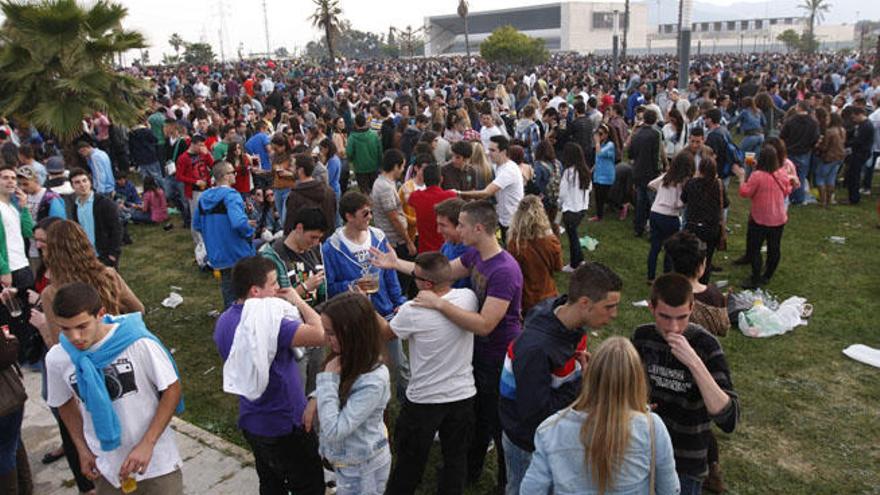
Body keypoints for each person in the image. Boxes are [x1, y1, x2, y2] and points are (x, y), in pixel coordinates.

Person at [372, 200, 523, 491]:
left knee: (495, 422)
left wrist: (439, 304)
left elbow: (485, 324)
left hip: (495, 357)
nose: (458, 228)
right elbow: (439, 275)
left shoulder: (504, 270)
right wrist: (395, 264)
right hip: (474, 355)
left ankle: (506, 483)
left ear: (478, 228)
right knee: (474, 422)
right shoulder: (476, 255)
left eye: (462, 224)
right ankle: (468, 471)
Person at [46, 282, 184, 494]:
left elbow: (172, 390)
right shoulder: (58, 358)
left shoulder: (138, 343)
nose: (74, 337)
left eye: (82, 326)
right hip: (106, 466)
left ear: (100, 314)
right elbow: (63, 403)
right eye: (65, 329)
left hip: (156, 463)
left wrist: (148, 443)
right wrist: (82, 449)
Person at [501, 262, 623, 494]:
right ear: (584, 303)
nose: (614, 314)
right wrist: (582, 383)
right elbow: (535, 413)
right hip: (528, 442)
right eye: (609, 307)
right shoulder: (538, 348)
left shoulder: (560, 312)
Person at [213, 256, 326, 495]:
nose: (278, 289)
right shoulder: (269, 322)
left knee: (271, 483)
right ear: (255, 290)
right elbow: (319, 333)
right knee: (309, 484)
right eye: (273, 284)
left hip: (253, 419)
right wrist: (298, 301)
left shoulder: (225, 320)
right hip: (284, 422)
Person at [520, 337, 679, 495]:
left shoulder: (550, 429)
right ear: (637, 380)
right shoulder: (652, 428)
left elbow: (531, 490)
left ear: (589, 376)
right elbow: (670, 490)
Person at [632, 274, 739, 494]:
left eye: (682, 317)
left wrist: (694, 362)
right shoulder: (642, 338)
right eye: (665, 317)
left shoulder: (706, 346)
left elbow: (729, 419)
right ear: (651, 307)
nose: (674, 327)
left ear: (691, 308)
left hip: (685, 463)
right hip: (642, 454)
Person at [382, 253, 477, 495]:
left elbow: (386, 333)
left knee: (409, 463)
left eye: (415, 276)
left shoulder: (412, 311)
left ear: (426, 284)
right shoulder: (469, 298)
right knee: (455, 459)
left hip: (425, 400)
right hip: (463, 395)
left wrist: (365, 304)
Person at [322, 191, 408, 399]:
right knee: (358, 368)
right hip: (354, 318)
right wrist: (351, 286)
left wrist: (398, 301)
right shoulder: (332, 247)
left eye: (370, 212)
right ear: (349, 217)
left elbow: (390, 273)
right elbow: (329, 286)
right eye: (365, 213)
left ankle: (408, 403)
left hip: (384, 311)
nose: (370, 217)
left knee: (398, 365)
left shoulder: (378, 237)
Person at [317, 292, 392, 495]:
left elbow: (334, 431)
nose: (325, 338)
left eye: (331, 332)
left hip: (362, 469)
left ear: (352, 333)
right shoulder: (346, 356)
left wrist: (326, 380)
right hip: (345, 462)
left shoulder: (373, 380)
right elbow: (340, 390)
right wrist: (315, 397)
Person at [259, 207, 327, 392]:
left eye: (319, 238)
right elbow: (270, 303)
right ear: (298, 228)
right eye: (312, 237)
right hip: (293, 334)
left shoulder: (315, 251)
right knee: (296, 389)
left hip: (318, 326)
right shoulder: (272, 257)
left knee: (316, 386)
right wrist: (305, 287)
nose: (315, 243)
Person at [193, 162, 255, 307]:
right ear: (225, 176)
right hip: (237, 251)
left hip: (217, 252)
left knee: (228, 288)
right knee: (245, 290)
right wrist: (248, 230)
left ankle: (229, 320)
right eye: (233, 172)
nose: (235, 174)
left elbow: (196, 224)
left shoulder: (203, 197)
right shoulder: (231, 196)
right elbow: (238, 223)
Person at [732, 145, 792, 289]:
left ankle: (756, 277)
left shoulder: (757, 176)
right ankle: (767, 275)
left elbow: (745, 192)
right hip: (778, 218)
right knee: (774, 248)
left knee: (754, 248)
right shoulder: (782, 173)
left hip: (760, 218)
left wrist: (741, 177)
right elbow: (787, 190)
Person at [458, 136, 524, 245]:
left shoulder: (508, 170)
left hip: (512, 221)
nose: (489, 153)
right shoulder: (499, 166)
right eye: (488, 149)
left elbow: (487, 192)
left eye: (493, 150)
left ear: (504, 152)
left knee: (513, 254)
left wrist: (458, 193)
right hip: (505, 218)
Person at [506, 195, 562, 313]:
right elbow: (558, 267)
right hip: (548, 294)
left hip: (525, 298)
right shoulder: (551, 241)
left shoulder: (514, 244)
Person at [646, 151, 694, 284]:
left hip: (655, 212)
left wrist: (659, 196)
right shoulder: (681, 183)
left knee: (654, 247)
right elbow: (678, 203)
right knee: (669, 248)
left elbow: (650, 184)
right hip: (670, 216)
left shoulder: (666, 177)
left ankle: (650, 277)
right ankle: (667, 275)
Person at [681, 158, 727, 284]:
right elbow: (726, 203)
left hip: (693, 226)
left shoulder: (691, 183)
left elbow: (683, 199)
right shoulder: (719, 185)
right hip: (711, 228)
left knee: (690, 256)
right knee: (707, 258)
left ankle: (689, 281)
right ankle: (703, 283)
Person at [65, 169, 122, 268]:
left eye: (84, 180)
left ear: (90, 182)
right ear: (72, 186)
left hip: (104, 254)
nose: (82, 185)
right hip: (87, 255)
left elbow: (117, 229)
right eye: (77, 182)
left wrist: (113, 255)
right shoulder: (76, 206)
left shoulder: (104, 203)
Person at [0, 323, 31, 494]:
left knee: (10, 445)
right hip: (7, 401)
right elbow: (4, 355)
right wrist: (12, 342)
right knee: (9, 448)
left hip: (7, 402)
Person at [628, 109, 664, 237]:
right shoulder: (655, 134)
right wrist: (658, 170)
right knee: (652, 203)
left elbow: (630, 153)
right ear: (654, 120)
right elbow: (656, 156)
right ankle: (652, 229)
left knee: (640, 201)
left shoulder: (637, 133)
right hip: (650, 173)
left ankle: (638, 228)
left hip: (638, 170)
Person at [284, 154, 336, 239]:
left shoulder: (295, 196)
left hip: (306, 244)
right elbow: (333, 219)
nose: (290, 169)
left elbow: (290, 225)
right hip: (326, 240)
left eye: (293, 166)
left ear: (300, 170)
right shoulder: (329, 191)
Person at [408, 163, 456, 253]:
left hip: (424, 251)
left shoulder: (416, 196)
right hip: (446, 251)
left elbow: (409, 200)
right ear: (441, 179)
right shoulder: (450, 196)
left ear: (424, 179)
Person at [559, 142, 591, 272]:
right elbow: (589, 189)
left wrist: (559, 204)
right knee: (574, 235)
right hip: (582, 208)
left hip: (570, 209)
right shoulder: (586, 171)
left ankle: (573, 265)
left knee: (572, 238)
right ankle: (580, 260)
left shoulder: (568, 173)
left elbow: (562, 193)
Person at [434, 197, 471, 289]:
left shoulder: (472, 252)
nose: (438, 231)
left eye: (443, 225)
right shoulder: (447, 245)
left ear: (460, 225)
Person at [844, 107, 875, 205]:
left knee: (855, 176)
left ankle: (854, 198)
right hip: (858, 152)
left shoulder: (866, 126)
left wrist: (846, 143)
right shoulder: (861, 125)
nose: (853, 120)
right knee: (852, 175)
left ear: (859, 115)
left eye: (854, 117)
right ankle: (852, 196)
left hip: (860, 153)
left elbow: (858, 141)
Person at [814, 112, 846, 208]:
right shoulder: (842, 130)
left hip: (829, 157)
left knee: (820, 178)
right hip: (839, 156)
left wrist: (818, 144)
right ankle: (829, 200)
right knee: (831, 178)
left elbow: (824, 147)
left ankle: (823, 201)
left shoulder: (829, 132)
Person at [346, 113, 383, 194]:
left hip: (360, 169)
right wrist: (380, 164)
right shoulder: (374, 135)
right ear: (365, 122)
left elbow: (349, 153)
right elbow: (380, 151)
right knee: (374, 190)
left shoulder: (352, 138)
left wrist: (353, 160)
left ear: (355, 124)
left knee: (364, 192)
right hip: (374, 167)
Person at [590, 124, 617, 222]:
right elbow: (598, 159)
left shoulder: (610, 145)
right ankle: (599, 215)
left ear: (606, 134)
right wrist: (592, 169)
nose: (599, 136)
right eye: (598, 134)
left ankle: (622, 205)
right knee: (598, 196)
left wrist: (597, 142)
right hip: (598, 174)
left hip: (606, 175)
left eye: (601, 134)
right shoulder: (600, 144)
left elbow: (600, 153)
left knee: (605, 197)